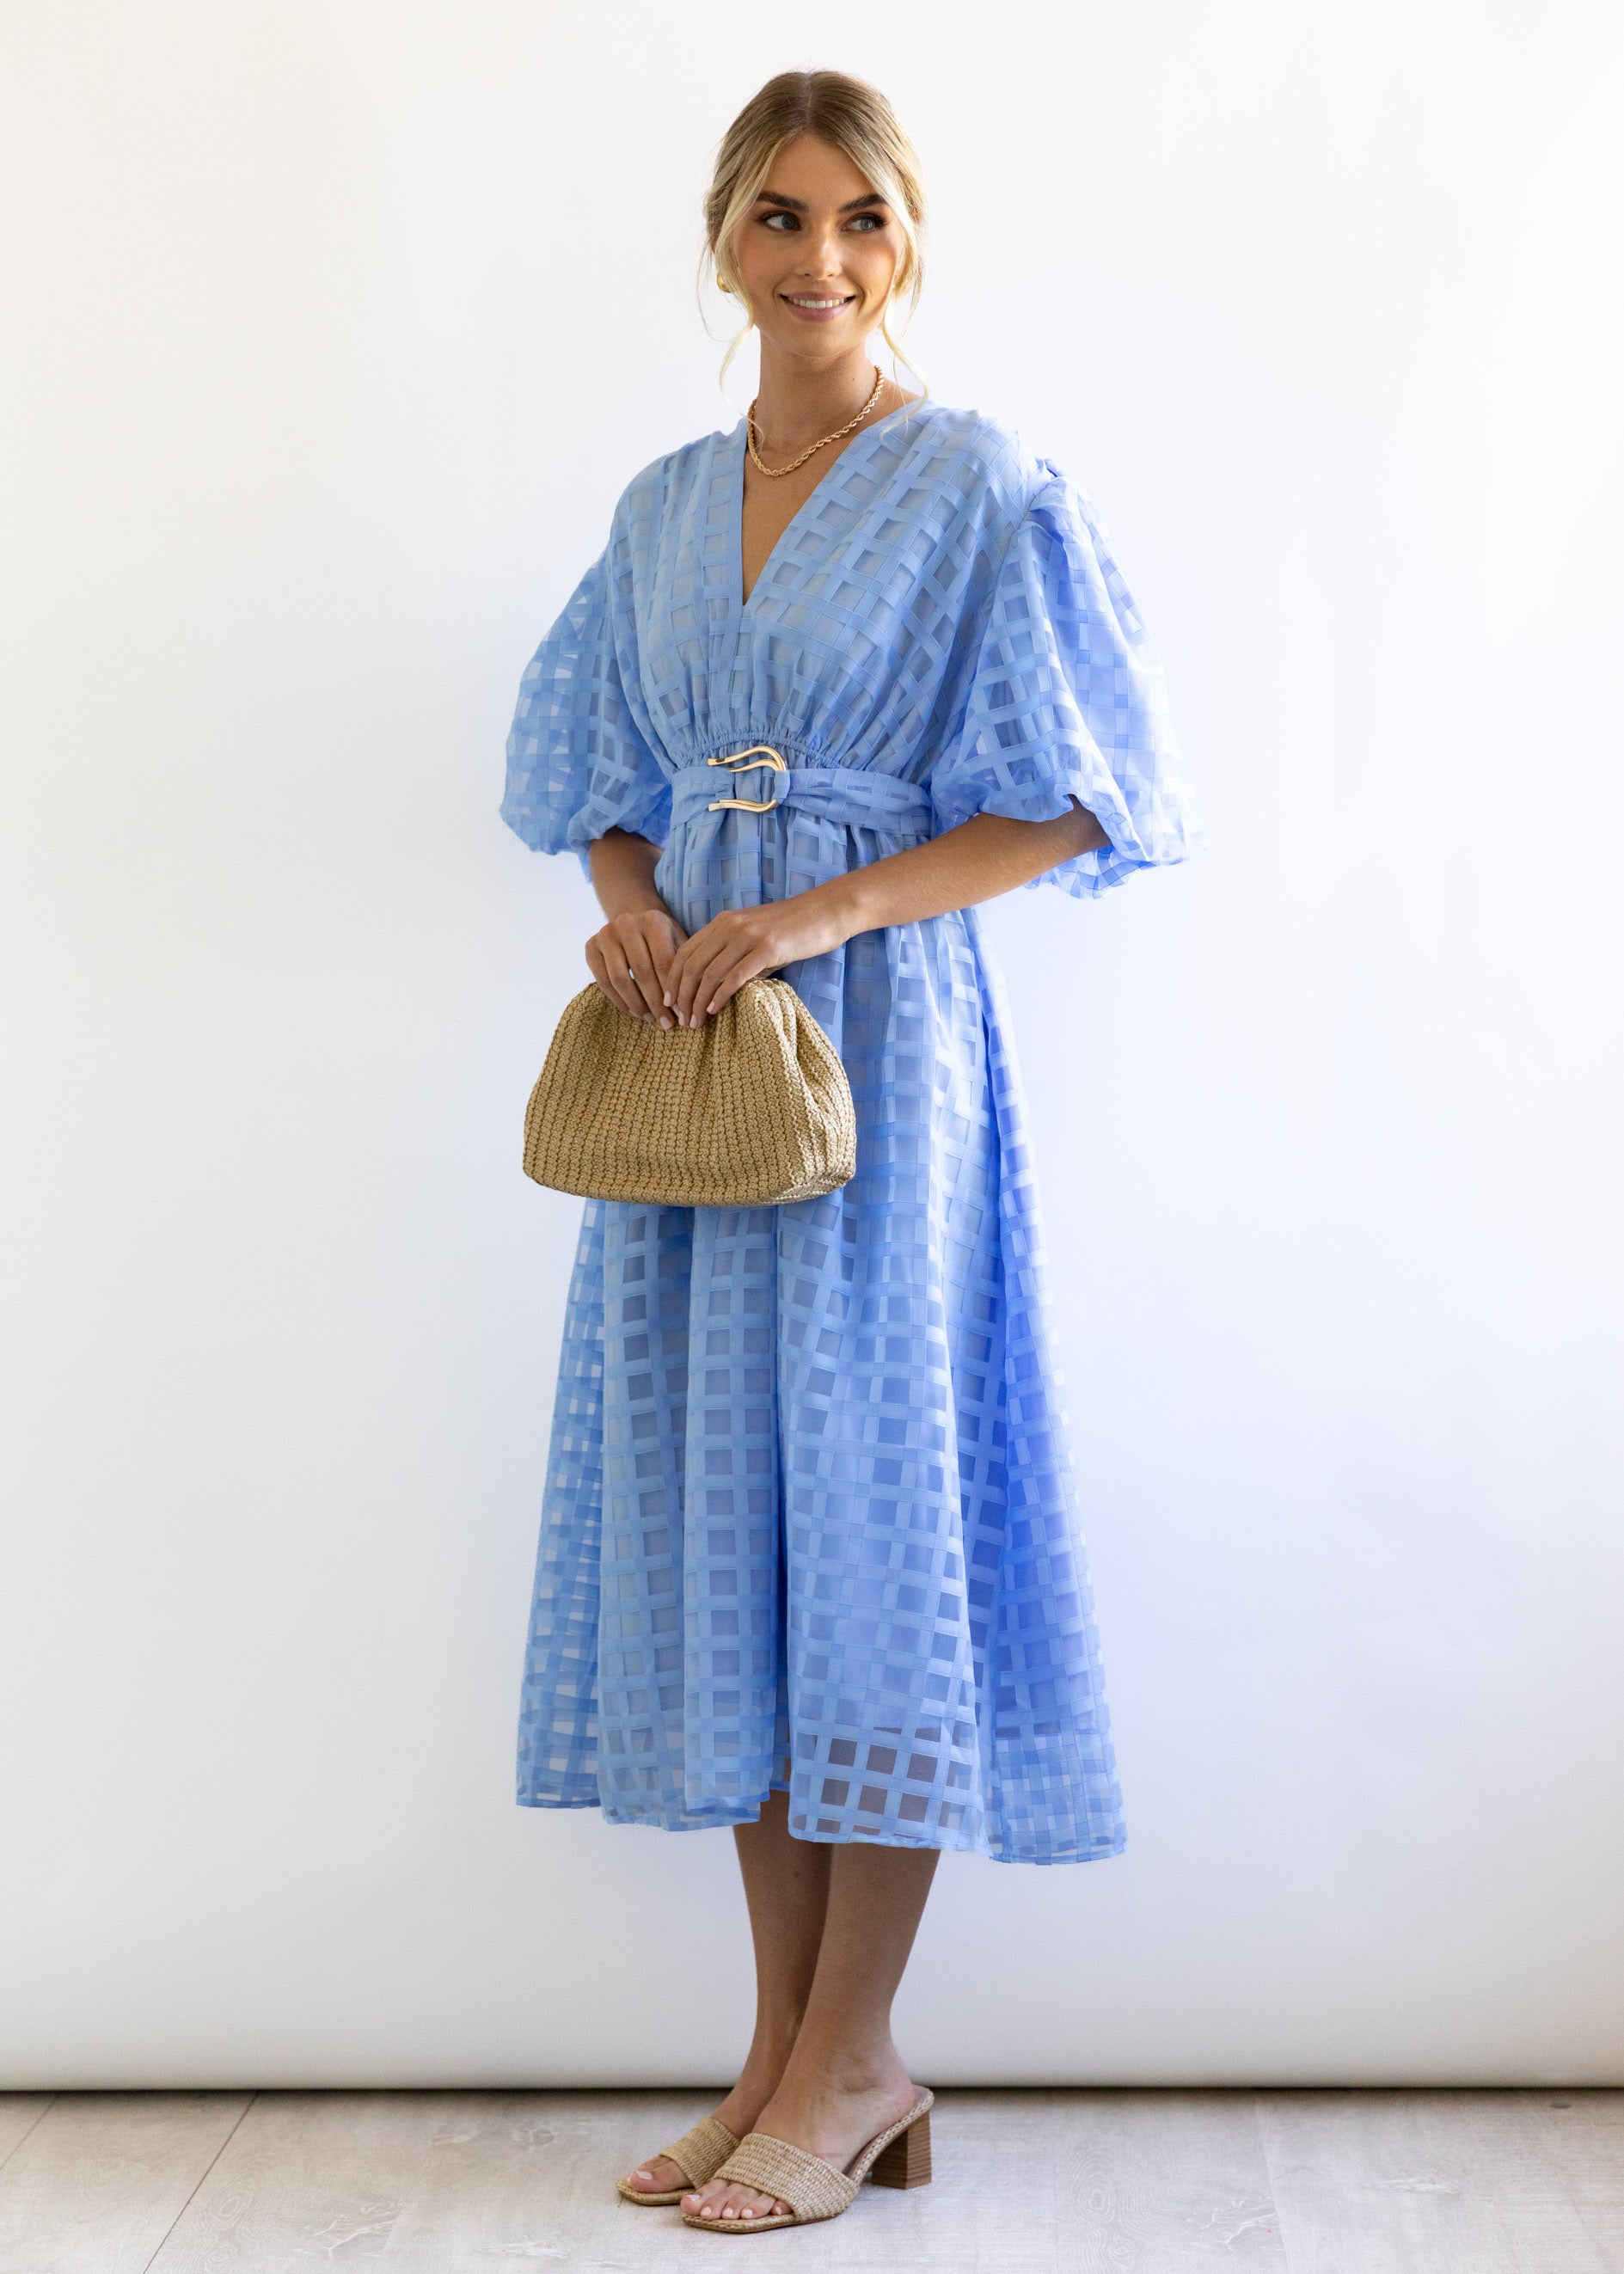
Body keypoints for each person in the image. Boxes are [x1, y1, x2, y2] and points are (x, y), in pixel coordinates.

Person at [499, 68, 1204, 2234]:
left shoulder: (977, 478)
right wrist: (631, 902)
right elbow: (595, 769)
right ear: (726, 239)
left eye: (864, 219)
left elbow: (1080, 795)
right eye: (783, 216)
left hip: (882, 1050)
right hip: (693, 1055)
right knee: (732, 1526)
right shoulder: (657, 506)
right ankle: (787, 2056)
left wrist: (817, 911)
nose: (823, 259)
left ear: (909, 243)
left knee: (874, 1516)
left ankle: (859, 2052)